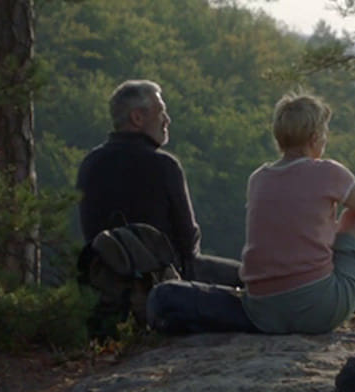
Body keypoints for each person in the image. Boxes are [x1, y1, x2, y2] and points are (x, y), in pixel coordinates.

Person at [238, 93, 355, 333]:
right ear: (314, 139)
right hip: (317, 310)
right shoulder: (329, 173)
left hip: (261, 311)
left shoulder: (258, 178)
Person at [76, 79, 240, 286]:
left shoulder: (90, 164)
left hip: (106, 278)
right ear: (137, 117)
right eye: (161, 111)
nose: (167, 119)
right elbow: (188, 242)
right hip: (163, 278)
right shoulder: (163, 165)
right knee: (249, 278)